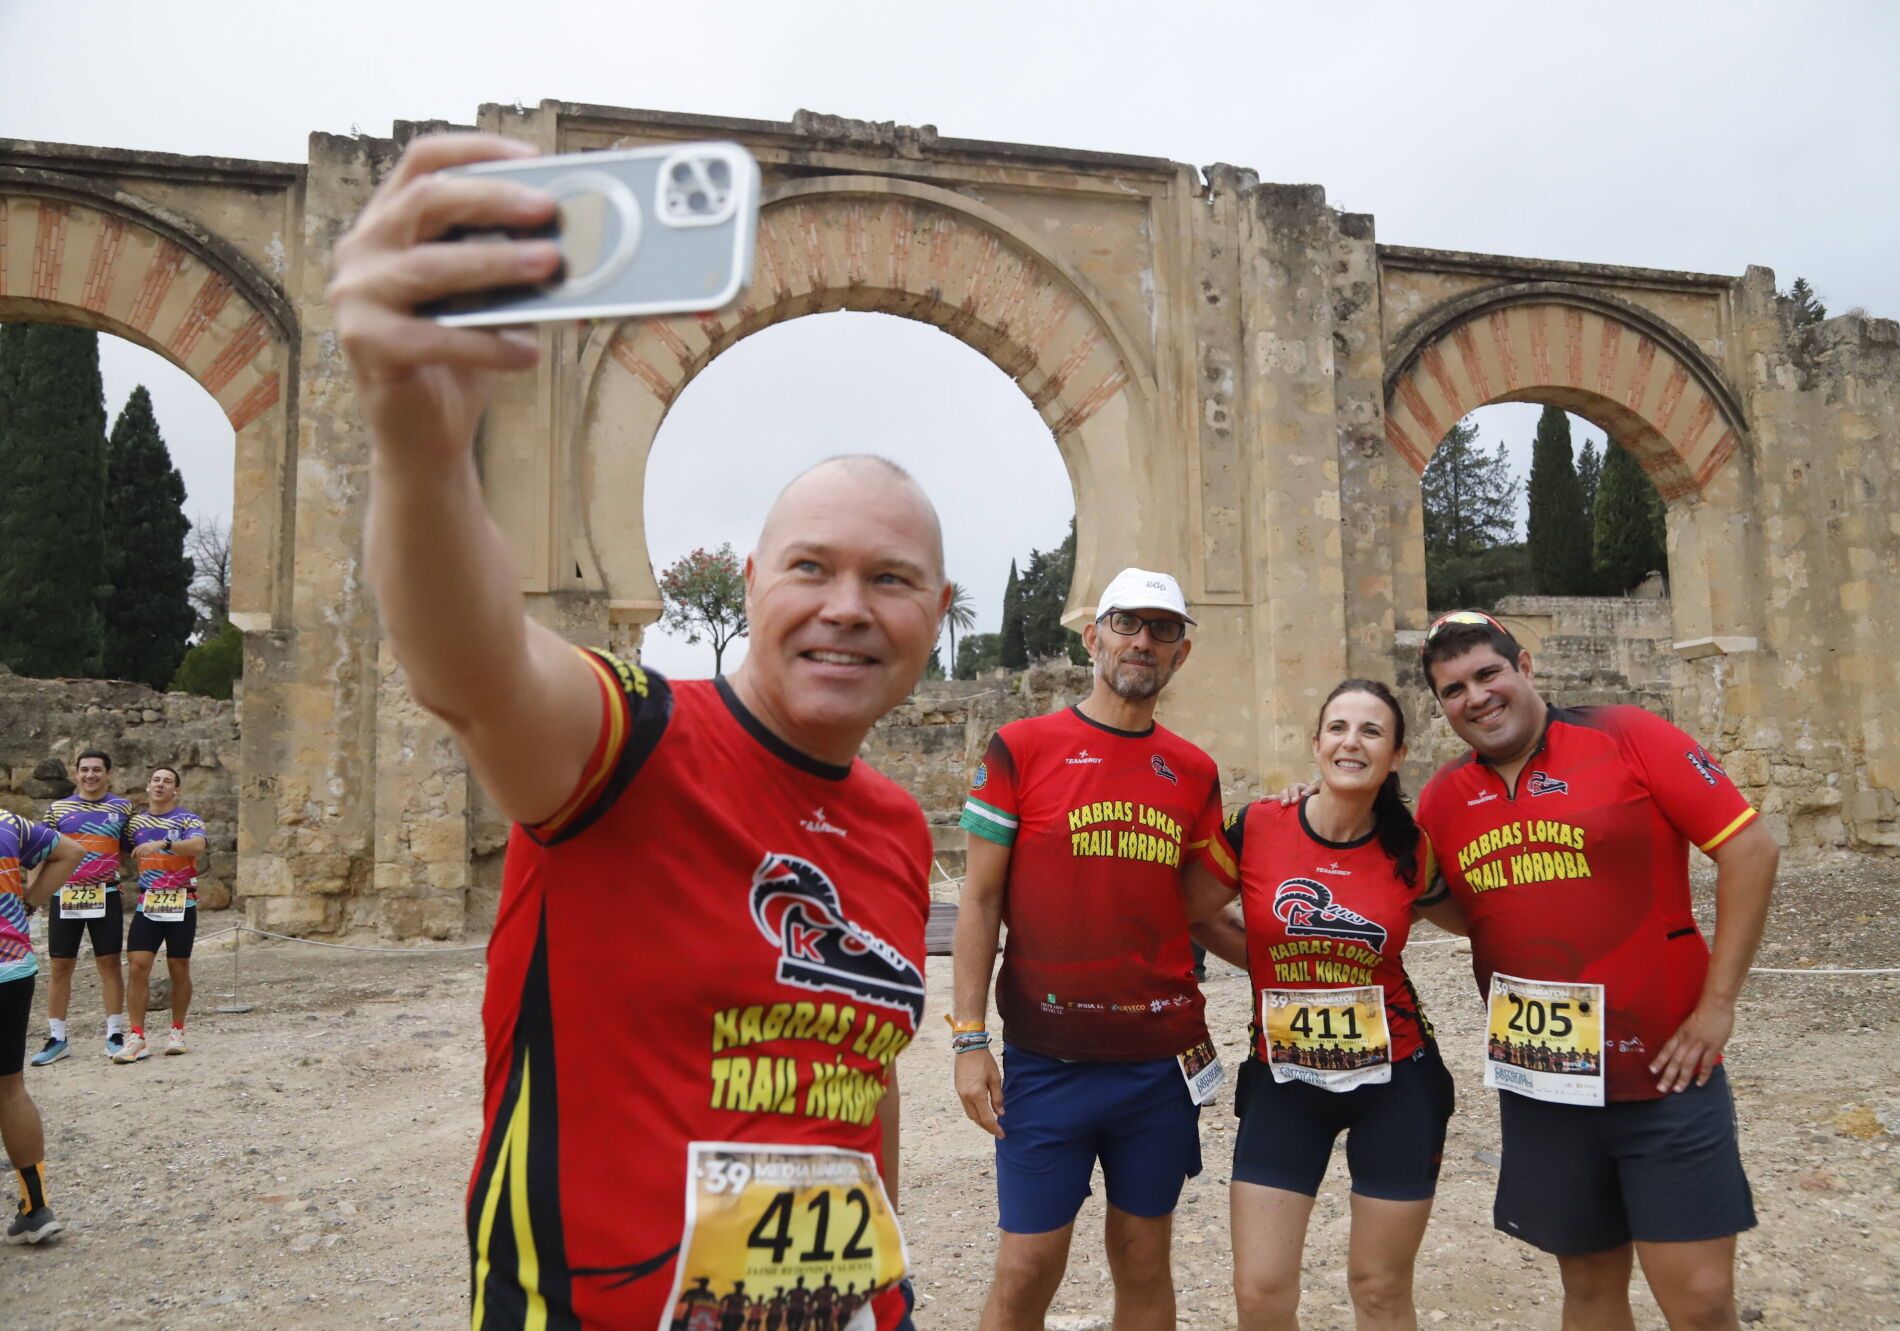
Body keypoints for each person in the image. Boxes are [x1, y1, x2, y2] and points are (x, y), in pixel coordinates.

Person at [330, 132, 943, 1331]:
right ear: (750, 581)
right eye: (811, 567)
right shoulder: (625, 743)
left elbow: (859, 1088)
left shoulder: (896, 825)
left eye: (892, 579)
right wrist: (419, 443)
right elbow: (475, 669)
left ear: (936, 613)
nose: (846, 607)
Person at [1412, 610, 1778, 1330]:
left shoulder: (1627, 734)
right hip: (1546, 1076)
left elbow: (1750, 849)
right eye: (1453, 689)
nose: (1476, 697)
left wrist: (1718, 1005)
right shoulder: (1442, 798)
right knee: (1587, 1293)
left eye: (1488, 673)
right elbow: (1461, 906)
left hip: (1667, 1067)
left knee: (1701, 1299)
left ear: (1524, 666)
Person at [953, 567, 1226, 1331]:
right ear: (1091, 636)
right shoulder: (1022, 748)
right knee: (1025, 1268)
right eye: (1126, 623)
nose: (1142, 641)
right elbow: (977, 901)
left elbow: (1198, 910)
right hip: (1048, 1062)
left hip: (1159, 1065)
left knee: (1144, 1262)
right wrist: (969, 1039)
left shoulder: (1195, 772)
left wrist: (1305, 961)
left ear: (1182, 653)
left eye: (1163, 629)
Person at [1182, 680, 1460, 1331]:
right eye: (1338, 727)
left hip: (1397, 1077)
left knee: (1380, 1288)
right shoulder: (1259, 825)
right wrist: (1270, 966)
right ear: (1316, 743)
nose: (1351, 740)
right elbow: (1189, 911)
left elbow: (1477, 919)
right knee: (1259, 1290)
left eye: (1371, 730)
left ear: (1396, 755)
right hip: (1285, 1077)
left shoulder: (1409, 847)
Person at [1, 810, 86, 1244]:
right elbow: (71, 851)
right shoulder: (8, 823)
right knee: (10, 1088)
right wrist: (29, 900)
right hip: (10, 969)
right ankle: (35, 1209)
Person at [32, 750, 133, 1064]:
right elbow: (40, 853)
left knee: (110, 963)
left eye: (97, 770)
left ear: (109, 773)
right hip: (66, 895)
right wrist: (31, 897)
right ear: (76, 774)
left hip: (107, 894)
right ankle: (57, 1037)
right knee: (60, 966)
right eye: (85, 770)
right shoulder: (58, 809)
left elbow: (132, 848)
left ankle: (115, 1034)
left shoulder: (123, 808)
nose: (91, 775)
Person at [113, 766, 208, 1063]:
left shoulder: (187, 819)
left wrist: (165, 844)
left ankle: (177, 1031)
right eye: (156, 780)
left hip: (182, 903)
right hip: (148, 904)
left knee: (178, 966)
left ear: (176, 790)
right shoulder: (134, 822)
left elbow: (198, 846)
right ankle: (137, 1036)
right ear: (147, 786)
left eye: (167, 781)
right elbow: (118, 849)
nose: (160, 784)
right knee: (138, 965)